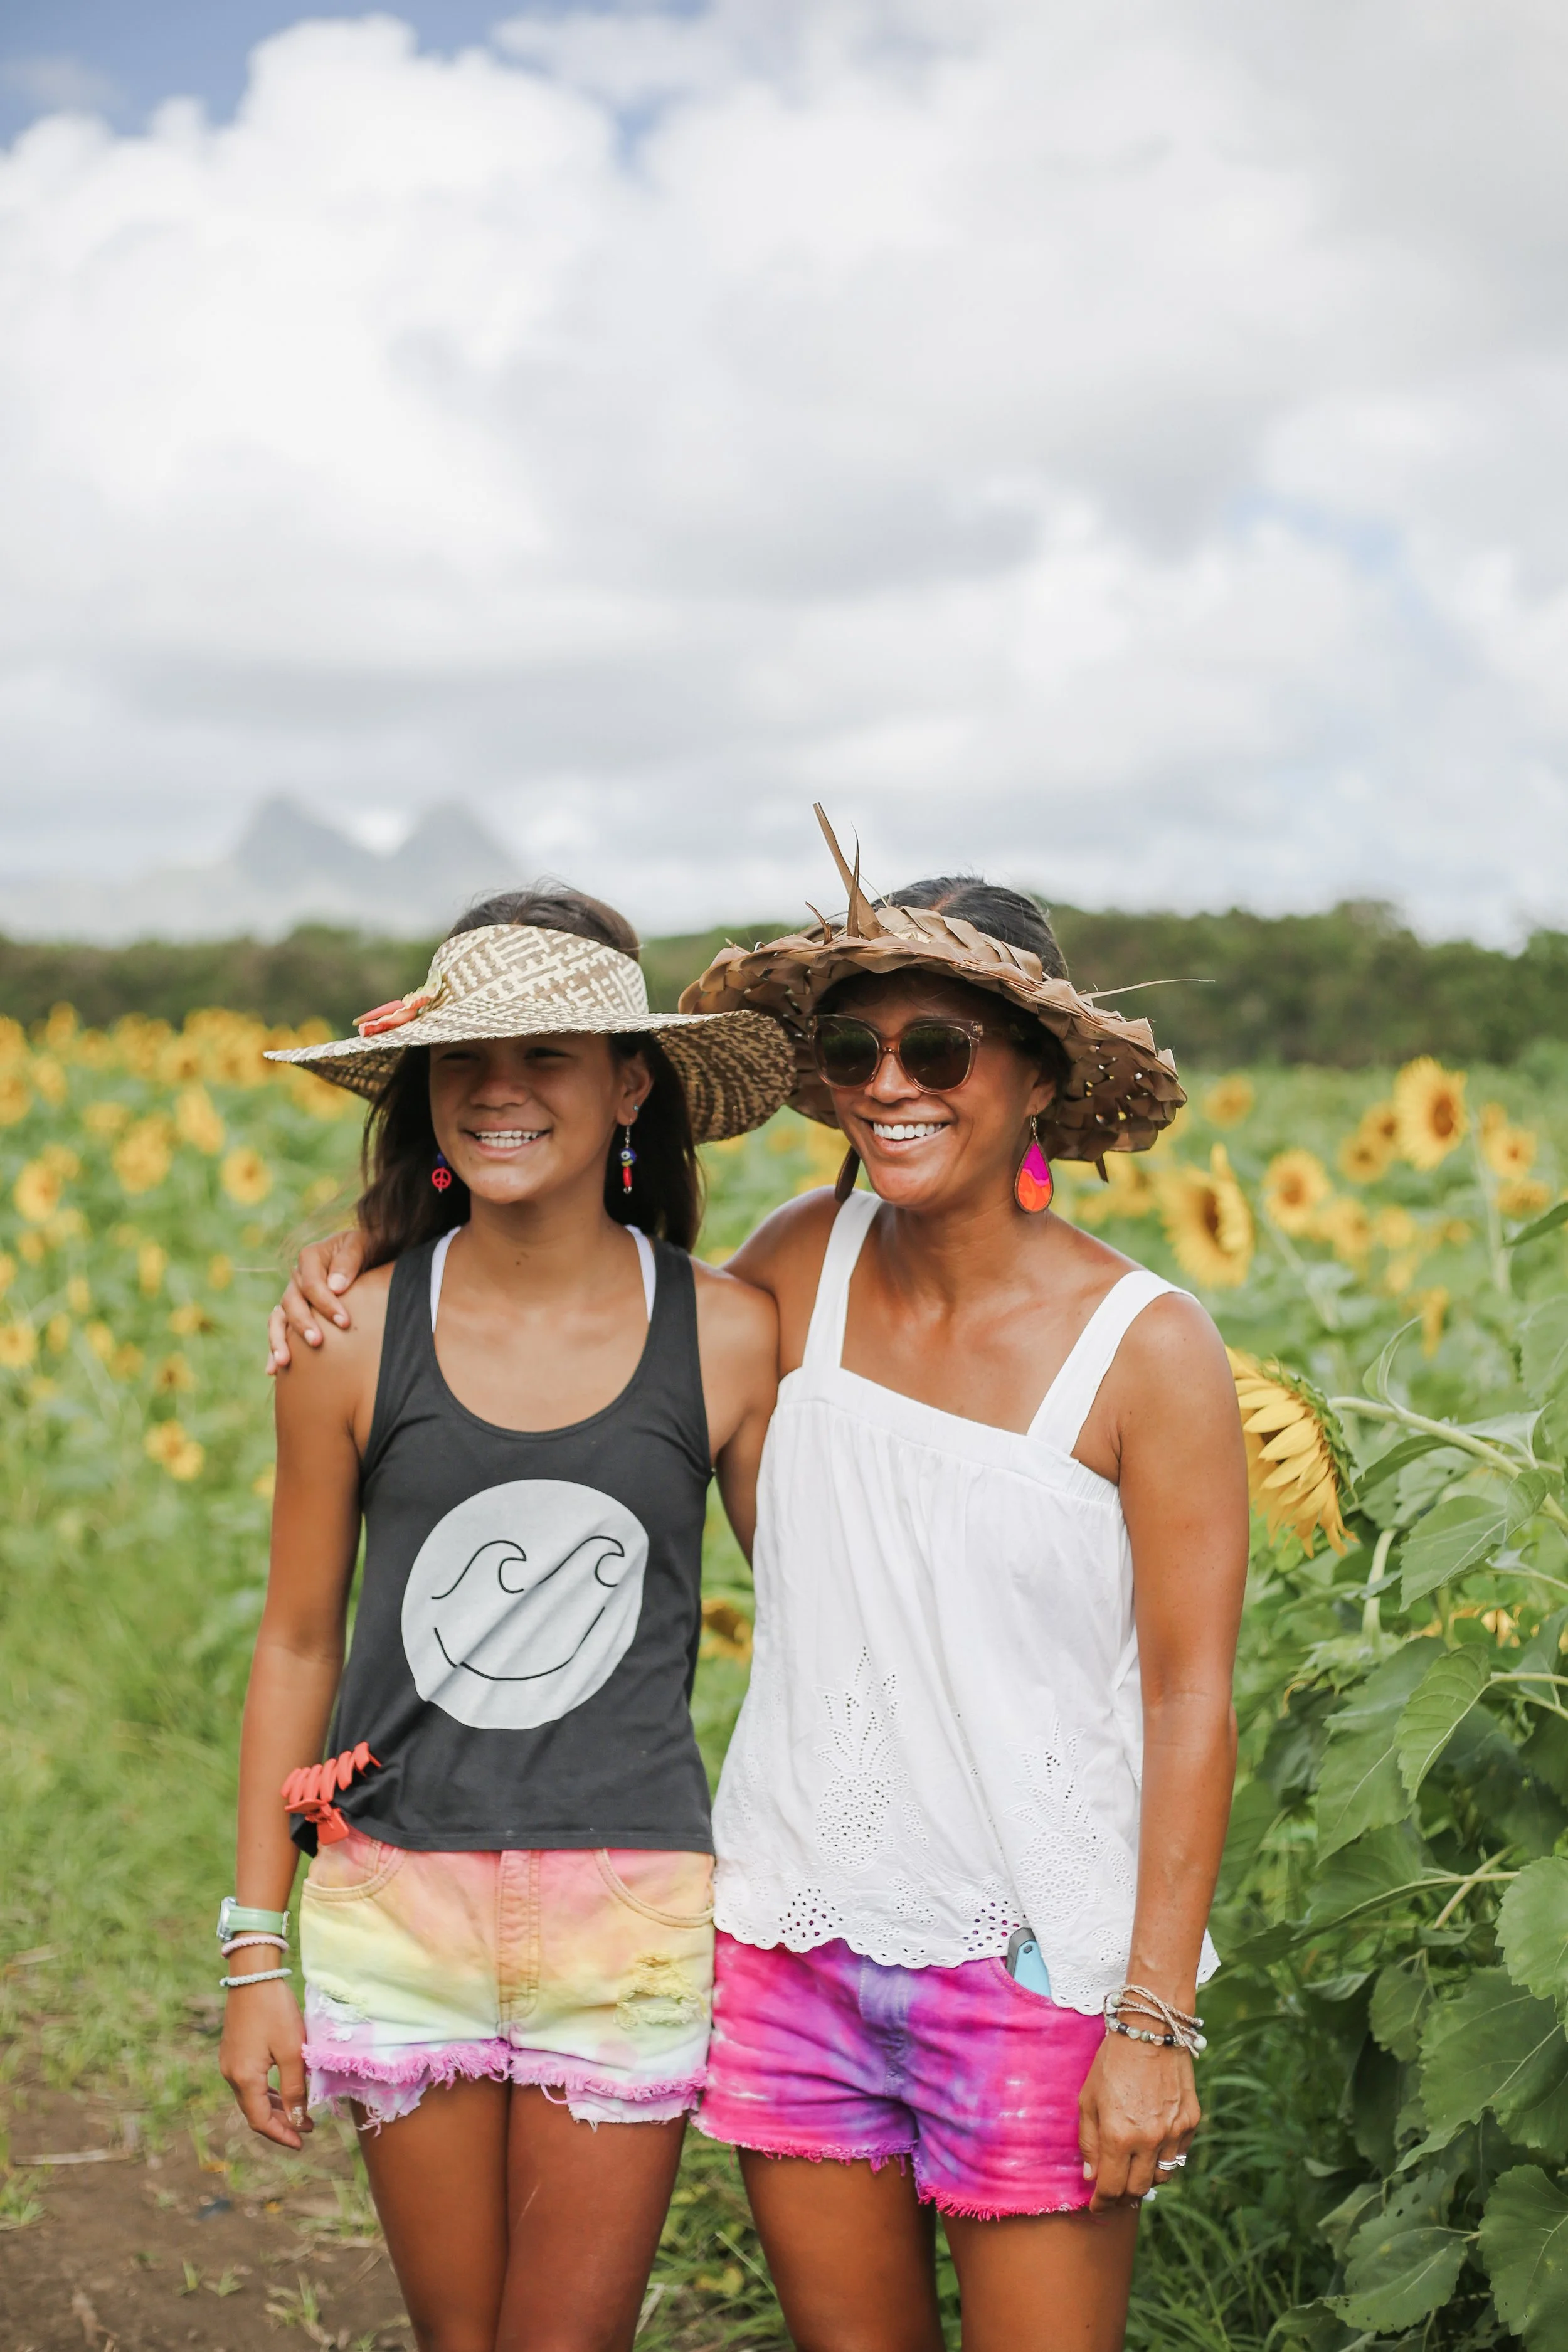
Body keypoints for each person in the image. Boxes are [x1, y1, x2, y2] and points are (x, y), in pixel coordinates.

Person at [271, 822, 1249, 2352]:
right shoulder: (800, 1268)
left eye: (938, 1047)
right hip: (792, 1942)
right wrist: (378, 1235)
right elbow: (576, 1290)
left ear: (1039, 1077)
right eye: (854, 1048)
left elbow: (1192, 1698)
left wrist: (1154, 2014)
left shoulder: (1149, 1348)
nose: (889, 1083)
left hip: (1034, 1962)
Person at [223, 886, 792, 2352]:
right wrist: (253, 1948)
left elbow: (821, 1618)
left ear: (629, 1085)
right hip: (392, 1898)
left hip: (630, 1903)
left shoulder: (730, 1333)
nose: (499, 1089)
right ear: (423, 1091)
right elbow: (296, 1640)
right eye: (464, 1058)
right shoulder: (349, 1333)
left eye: (547, 1054)